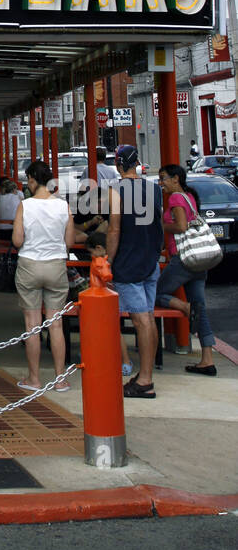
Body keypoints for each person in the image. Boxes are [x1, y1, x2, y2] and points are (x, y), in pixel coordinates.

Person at [106, 143, 163, 399]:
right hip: (150, 261)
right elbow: (158, 223)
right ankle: (145, 375)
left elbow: (114, 229)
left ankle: (145, 380)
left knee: (140, 320)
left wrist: (108, 260)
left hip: (127, 264)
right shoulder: (153, 189)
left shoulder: (116, 191)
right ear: (137, 162)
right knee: (148, 319)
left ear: (119, 165)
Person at [12, 159, 74, 392]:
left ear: (33, 180)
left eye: (28, 179)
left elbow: (17, 240)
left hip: (29, 264)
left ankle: (34, 379)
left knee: (32, 325)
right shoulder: (63, 206)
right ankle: (60, 379)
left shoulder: (25, 206)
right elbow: (69, 242)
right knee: (55, 324)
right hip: (56, 265)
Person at [157, 164, 217, 376]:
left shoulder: (175, 199)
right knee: (200, 307)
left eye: (163, 178)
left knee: (155, 293)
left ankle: (185, 307)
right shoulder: (189, 197)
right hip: (199, 260)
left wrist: (161, 226)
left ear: (176, 179)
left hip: (183, 259)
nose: (161, 183)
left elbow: (181, 227)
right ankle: (207, 359)